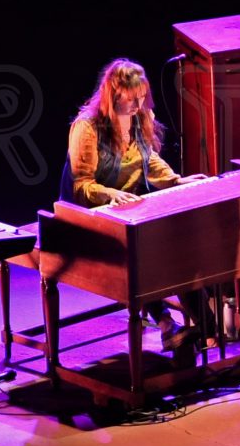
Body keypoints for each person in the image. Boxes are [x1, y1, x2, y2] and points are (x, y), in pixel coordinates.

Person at [60, 58, 220, 361]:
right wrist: (111, 194)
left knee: (176, 251)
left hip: (128, 212)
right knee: (143, 254)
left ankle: (207, 329)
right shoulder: (87, 127)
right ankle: (166, 324)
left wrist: (177, 180)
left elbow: (149, 160)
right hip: (87, 218)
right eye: (132, 97)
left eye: (141, 96)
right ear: (114, 93)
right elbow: (81, 186)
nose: (138, 102)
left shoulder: (139, 118)